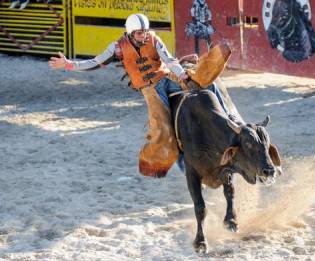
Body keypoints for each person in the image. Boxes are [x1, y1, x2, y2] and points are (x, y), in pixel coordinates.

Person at [48, 13, 227, 177]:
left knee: (203, 81)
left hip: (166, 76)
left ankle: (226, 116)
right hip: (150, 90)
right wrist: (69, 64)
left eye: (145, 32)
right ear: (131, 33)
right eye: (139, 33)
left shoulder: (154, 39)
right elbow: (96, 62)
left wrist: (181, 74)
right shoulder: (117, 48)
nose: (143, 36)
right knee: (164, 133)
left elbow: (169, 59)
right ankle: (189, 173)